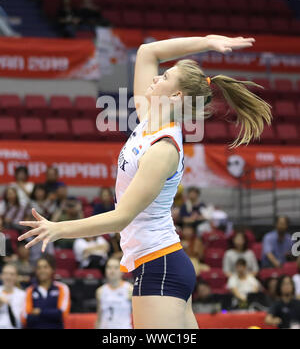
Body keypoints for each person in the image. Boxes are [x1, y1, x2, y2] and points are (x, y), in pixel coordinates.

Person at [18, 34, 271, 329]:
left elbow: (121, 217)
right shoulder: (149, 118)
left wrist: (58, 228)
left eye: (164, 77)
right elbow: (148, 52)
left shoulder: (163, 150)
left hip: (159, 265)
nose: (156, 78)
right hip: (161, 264)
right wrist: (207, 41)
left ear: (175, 96)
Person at [21, 254, 70, 329]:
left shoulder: (62, 288)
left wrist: (39, 312)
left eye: (45, 267)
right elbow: (25, 318)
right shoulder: (30, 290)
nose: (42, 271)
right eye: (39, 268)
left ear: (52, 269)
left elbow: (62, 314)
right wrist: (52, 314)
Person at [95, 257, 133, 329]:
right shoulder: (100, 291)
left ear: (122, 271)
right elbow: (99, 317)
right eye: (109, 267)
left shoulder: (130, 289)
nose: (112, 271)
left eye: (116, 268)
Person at [0, 264, 25, 329]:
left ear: (16, 277)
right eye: (5, 273)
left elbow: (22, 321)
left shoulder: (23, 295)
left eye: (12, 274)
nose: (8, 277)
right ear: (1, 276)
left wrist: (9, 305)